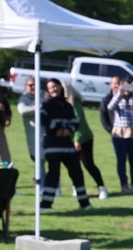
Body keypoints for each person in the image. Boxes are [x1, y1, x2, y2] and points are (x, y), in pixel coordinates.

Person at [38, 79, 90, 210]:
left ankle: (84, 203)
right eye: (50, 88)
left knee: (77, 172)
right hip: (52, 145)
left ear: (61, 87)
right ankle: (46, 204)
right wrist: (57, 129)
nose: (53, 90)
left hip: (67, 145)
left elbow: (75, 121)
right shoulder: (47, 105)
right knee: (53, 175)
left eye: (55, 86)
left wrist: (68, 130)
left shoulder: (67, 105)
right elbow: (43, 120)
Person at [66, 82, 107, 200]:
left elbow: (79, 122)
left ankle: (102, 187)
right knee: (73, 166)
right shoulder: (60, 104)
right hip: (69, 139)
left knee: (88, 164)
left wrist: (77, 140)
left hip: (84, 138)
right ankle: (77, 188)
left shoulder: (75, 104)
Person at [107, 77, 133, 195]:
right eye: (125, 86)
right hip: (119, 132)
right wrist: (120, 93)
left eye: (129, 86)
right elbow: (110, 107)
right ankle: (124, 185)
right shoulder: (118, 97)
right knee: (121, 160)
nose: (128, 89)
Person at [17, 76, 40, 161]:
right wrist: (37, 108)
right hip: (32, 134)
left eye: (35, 85)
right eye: (30, 85)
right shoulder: (23, 99)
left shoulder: (42, 96)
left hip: (44, 133)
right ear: (26, 86)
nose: (33, 87)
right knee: (35, 157)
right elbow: (22, 110)